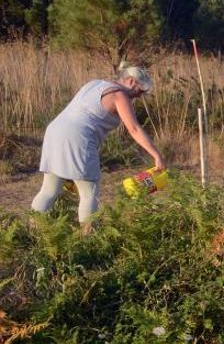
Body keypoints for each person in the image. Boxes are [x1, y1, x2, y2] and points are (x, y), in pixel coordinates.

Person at [31, 63, 165, 230]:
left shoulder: (95, 84)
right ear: (131, 81)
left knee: (49, 191)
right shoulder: (119, 96)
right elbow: (134, 129)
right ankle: (88, 241)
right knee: (89, 193)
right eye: (140, 91)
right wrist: (156, 155)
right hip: (78, 138)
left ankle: (31, 232)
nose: (139, 97)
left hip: (55, 132)